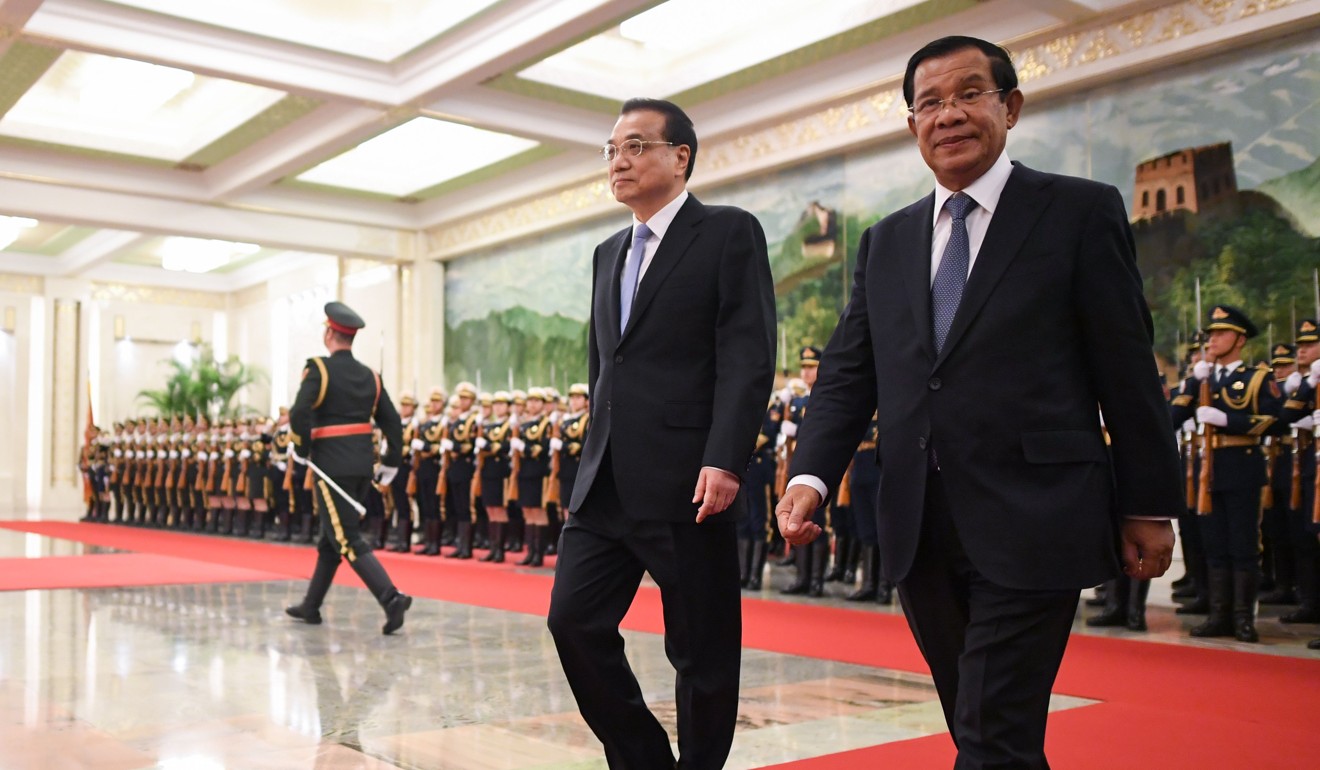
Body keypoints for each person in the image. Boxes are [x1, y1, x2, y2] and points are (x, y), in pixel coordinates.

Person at [775, 36, 1181, 769]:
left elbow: (1125, 366)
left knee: (991, 730)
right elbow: (847, 373)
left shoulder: (1077, 212)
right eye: (929, 102)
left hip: (1038, 514)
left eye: (969, 94)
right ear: (911, 125)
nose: (948, 114)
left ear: (1011, 106)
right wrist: (809, 477)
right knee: (987, 728)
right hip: (919, 525)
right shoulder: (886, 242)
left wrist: (1149, 501)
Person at [546, 97, 776, 770]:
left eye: (637, 146)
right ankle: (645, 759)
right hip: (606, 482)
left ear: (681, 157)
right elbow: (604, 365)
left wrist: (726, 457)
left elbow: (748, 353)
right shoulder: (607, 251)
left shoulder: (728, 232)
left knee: (700, 649)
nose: (620, 160)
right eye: (612, 149)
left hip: (689, 479)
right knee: (574, 622)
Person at [284, 301, 412, 636]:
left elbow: (299, 412)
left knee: (346, 537)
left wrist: (301, 448)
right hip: (361, 466)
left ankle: (391, 597)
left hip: (330, 466)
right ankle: (311, 606)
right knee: (331, 539)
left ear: (329, 334)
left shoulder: (319, 370)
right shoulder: (371, 376)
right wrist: (391, 462)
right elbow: (393, 421)